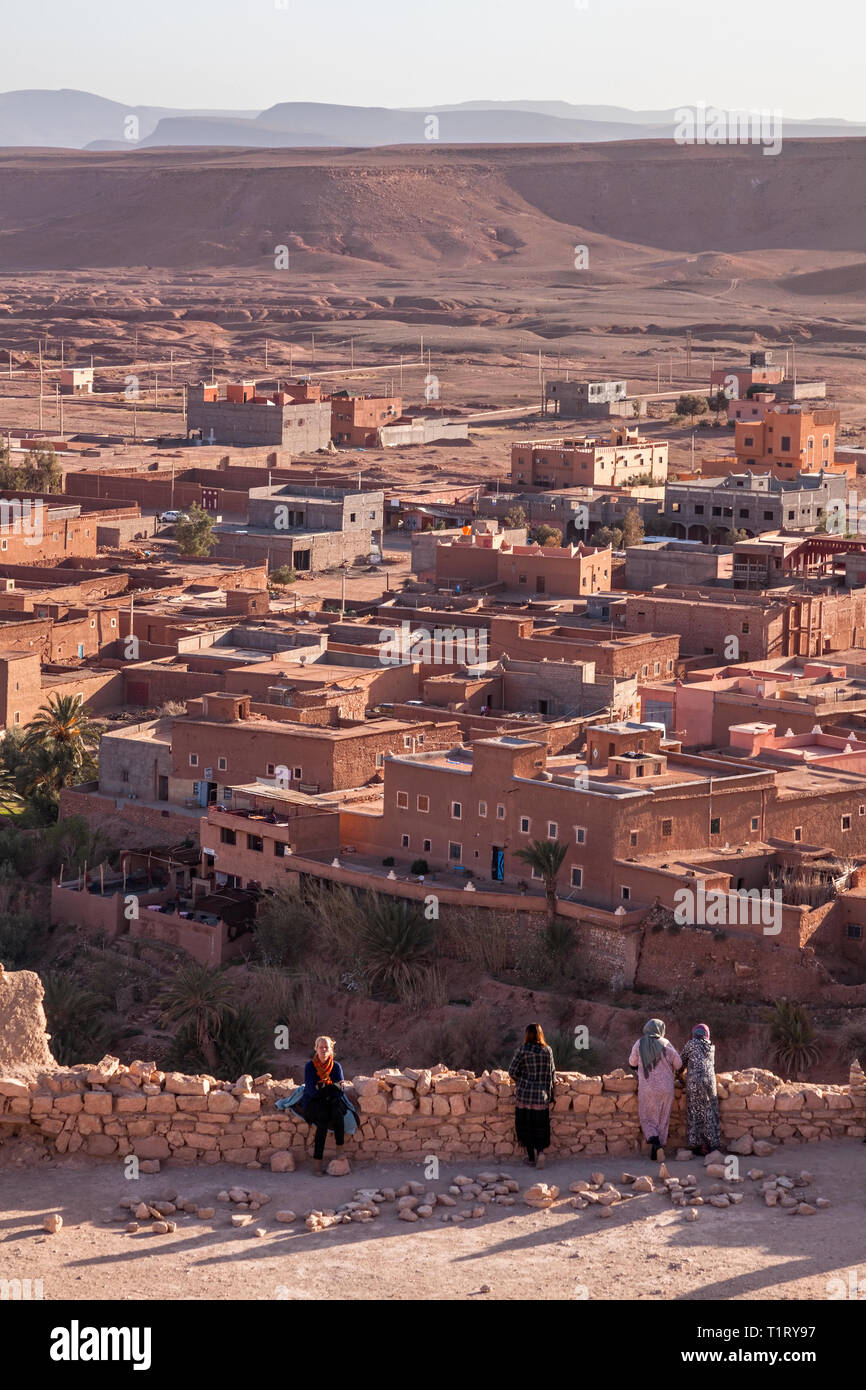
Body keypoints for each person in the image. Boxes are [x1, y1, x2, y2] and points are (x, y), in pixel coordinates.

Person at [628, 1019, 682, 1162]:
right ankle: (656, 1151)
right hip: (667, 1088)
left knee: (647, 1117)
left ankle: (655, 1144)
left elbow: (632, 1062)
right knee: (663, 1118)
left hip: (648, 1088)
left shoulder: (639, 1043)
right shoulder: (666, 1043)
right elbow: (678, 1063)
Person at [508, 1023, 557, 1169]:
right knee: (540, 1126)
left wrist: (521, 1080)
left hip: (524, 1096)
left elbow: (511, 1071)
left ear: (527, 1034)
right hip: (541, 1096)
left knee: (525, 1126)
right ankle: (540, 1152)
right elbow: (552, 1074)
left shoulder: (522, 1050)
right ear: (540, 1034)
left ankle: (530, 1158)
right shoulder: (547, 1051)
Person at [302, 1035, 350, 1175]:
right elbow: (312, 1091)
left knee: (337, 1113)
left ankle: (339, 1149)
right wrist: (330, 1088)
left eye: (326, 1047)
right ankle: (317, 1164)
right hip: (314, 1102)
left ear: (331, 1049)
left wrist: (323, 1087)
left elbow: (341, 1090)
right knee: (322, 1120)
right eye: (320, 1047)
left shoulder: (336, 1067)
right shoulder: (310, 1067)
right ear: (316, 1049)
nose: (323, 1050)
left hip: (331, 1101)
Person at [679, 1023, 721, 1157]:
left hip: (695, 1083)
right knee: (709, 1112)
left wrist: (678, 1076)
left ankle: (697, 1145)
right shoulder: (710, 1046)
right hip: (710, 1083)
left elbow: (681, 1063)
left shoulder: (691, 1044)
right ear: (706, 1034)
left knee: (695, 1112)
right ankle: (711, 1145)